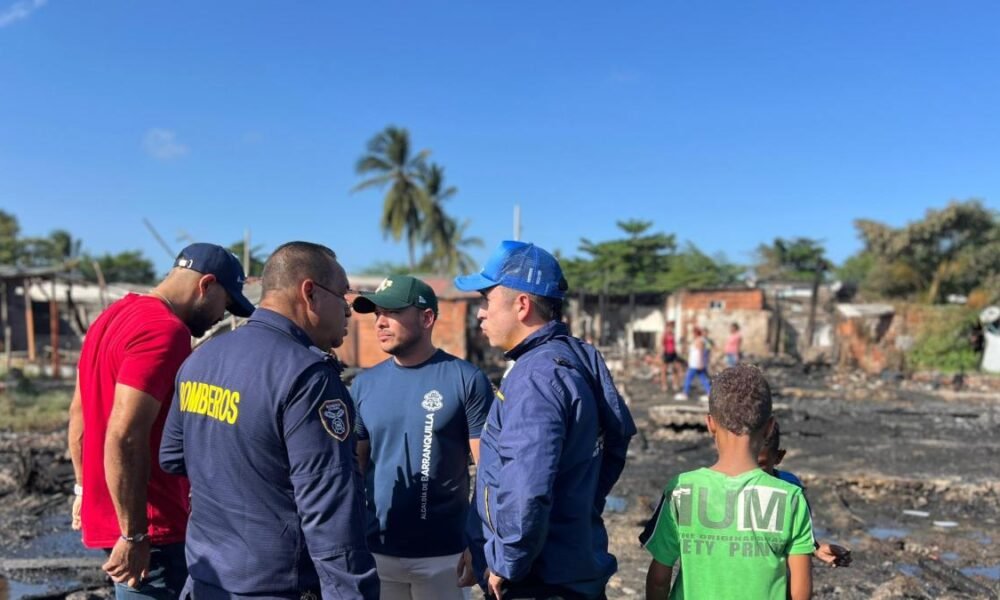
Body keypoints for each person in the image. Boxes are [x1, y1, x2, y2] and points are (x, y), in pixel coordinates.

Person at [159, 241, 378, 599]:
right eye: (342, 295)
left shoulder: (202, 358)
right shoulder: (307, 376)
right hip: (276, 586)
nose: (348, 310)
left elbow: (173, 456)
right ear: (310, 293)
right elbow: (328, 511)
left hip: (205, 579)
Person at [68, 243, 255, 598]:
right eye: (227, 304)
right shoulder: (165, 331)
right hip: (150, 526)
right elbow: (125, 436)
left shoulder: (110, 316)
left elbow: (79, 413)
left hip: (114, 516)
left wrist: (82, 488)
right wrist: (134, 534)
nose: (223, 316)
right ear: (206, 285)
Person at [454, 240, 636, 600]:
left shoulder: (535, 376)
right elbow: (616, 444)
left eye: (487, 300)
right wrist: (579, 508)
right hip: (572, 562)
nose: (480, 314)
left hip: (540, 580)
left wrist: (506, 560)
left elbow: (526, 483)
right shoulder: (575, 357)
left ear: (522, 305)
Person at [349, 275, 493, 600]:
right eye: (377, 314)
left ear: (427, 318)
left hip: (445, 556)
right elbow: (355, 468)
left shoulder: (466, 379)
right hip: (378, 551)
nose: (380, 322)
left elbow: (489, 471)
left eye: (392, 312)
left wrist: (479, 540)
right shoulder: (364, 384)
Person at [641, 365, 815, 600]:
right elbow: (801, 592)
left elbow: (659, 579)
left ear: (710, 424)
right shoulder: (791, 498)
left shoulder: (681, 490)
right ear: (769, 428)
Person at [758, 421, 852, 569]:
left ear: (778, 457)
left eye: (760, 465)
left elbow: (800, 536)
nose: (751, 474)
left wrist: (815, 549)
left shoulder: (792, 488)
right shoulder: (726, 490)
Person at [675, 327, 710, 402]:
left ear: (696, 333)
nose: (692, 334)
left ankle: (685, 393)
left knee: (688, 378)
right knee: (703, 378)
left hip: (695, 364)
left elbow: (700, 352)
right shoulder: (697, 340)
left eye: (693, 333)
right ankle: (710, 393)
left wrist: (700, 363)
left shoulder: (699, 340)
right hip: (695, 363)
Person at [658, 322, 682, 393]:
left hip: (673, 353)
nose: (670, 329)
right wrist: (661, 354)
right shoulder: (664, 335)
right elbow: (661, 344)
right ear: (666, 327)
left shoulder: (673, 334)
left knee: (675, 369)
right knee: (664, 370)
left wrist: (677, 351)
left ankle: (675, 384)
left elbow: (674, 344)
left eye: (671, 327)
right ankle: (664, 385)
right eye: (669, 327)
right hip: (666, 353)